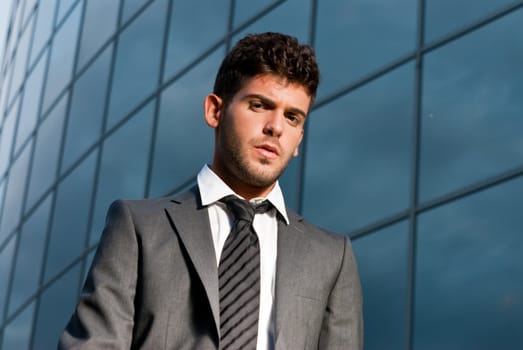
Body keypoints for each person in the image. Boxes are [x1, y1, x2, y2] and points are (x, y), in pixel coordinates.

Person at [59, 32, 363, 350]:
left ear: (299, 139)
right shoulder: (138, 227)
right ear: (215, 111)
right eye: (259, 105)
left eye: (292, 117)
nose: (276, 127)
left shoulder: (332, 256)